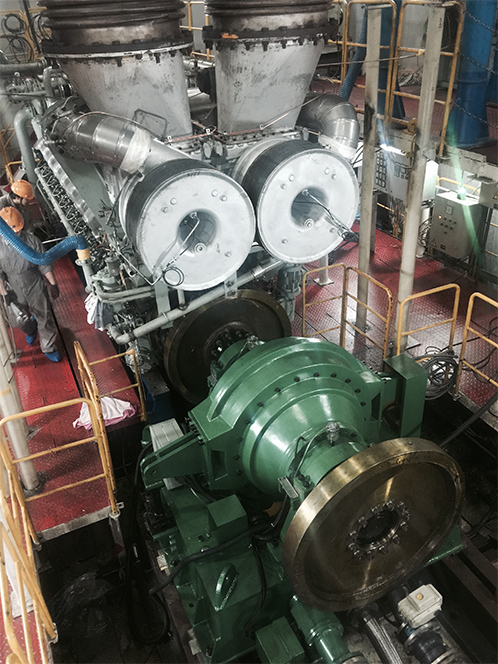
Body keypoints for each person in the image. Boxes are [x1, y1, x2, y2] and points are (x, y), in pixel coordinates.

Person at [0, 206, 61, 362]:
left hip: (34, 284)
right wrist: (5, 293)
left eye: (18, 230)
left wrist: (53, 284)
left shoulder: (32, 241)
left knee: (44, 316)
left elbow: (44, 264)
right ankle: (30, 330)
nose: (17, 234)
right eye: (13, 232)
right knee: (17, 319)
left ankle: (49, 346)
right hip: (12, 287)